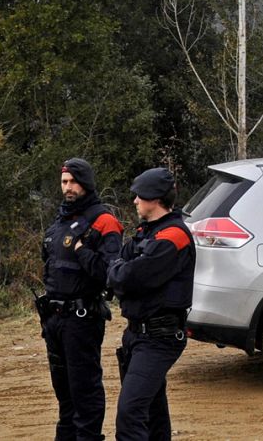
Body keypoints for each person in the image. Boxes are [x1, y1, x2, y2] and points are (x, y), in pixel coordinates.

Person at [107, 168, 196, 441]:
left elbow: (130, 276)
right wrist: (121, 272)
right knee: (153, 413)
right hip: (137, 334)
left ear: (155, 199)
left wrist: (121, 272)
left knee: (130, 413)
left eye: (139, 196)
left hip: (159, 337)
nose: (134, 201)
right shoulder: (149, 232)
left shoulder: (173, 236)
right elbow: (118, 268)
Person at [39, 158, 122, 441]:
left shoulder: (104, 221)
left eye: (73, 181)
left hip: (83, 319)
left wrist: (81, 250)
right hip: (54, 319)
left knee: (84, 392)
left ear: (85, 183)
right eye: (64, 182)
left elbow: (111, 273)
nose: (68, 187)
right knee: (64, 395)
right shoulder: (59, 222)